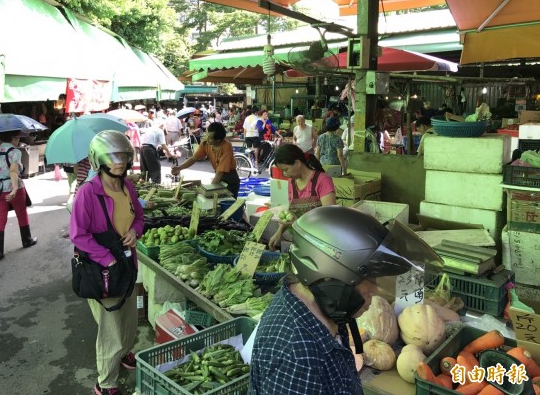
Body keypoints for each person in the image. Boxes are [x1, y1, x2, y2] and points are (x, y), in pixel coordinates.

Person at [250, 206, 442, 395]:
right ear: (329, 274)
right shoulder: (296, 357)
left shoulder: (325, 309)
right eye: (369, 280)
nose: (375, 290)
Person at [70, 130, 144, 395]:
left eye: (123, 155)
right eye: (113, 156)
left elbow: (139, 218)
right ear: (98, 160)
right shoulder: (87, 194)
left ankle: (124, 353)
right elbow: (78, 235)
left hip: (126, 264)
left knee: (129, 318)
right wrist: (108, 259)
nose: (120, 161)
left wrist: (135, 232)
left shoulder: (128, 187)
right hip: (101, 270)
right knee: (110, 328)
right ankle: (105, 382)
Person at [268, 144, 336, 250]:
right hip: (301, 241)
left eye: (286, 169)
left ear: (298, 163)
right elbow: (291, 211)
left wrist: (299, 221)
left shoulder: (322, 180)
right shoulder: (292, 182)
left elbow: (329, 218)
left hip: (321, 244)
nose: (285, 174)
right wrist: (278, 233)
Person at [0, 130, 37, 261]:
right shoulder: (15, 152)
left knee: (0, 218)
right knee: (21, 213)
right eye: (18, 138)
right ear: (14, 138)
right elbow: (13, 170)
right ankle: (27, 240)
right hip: (14, 188)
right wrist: (14, 190)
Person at [171, 122, 240, 198]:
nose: (207, 139)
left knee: (229, 203)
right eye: (207, 135)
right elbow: (194, 158)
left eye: (210, 137)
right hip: (218, 175)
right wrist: (179, 168)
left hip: (230, 178)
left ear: (218, 140)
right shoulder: (205, 142)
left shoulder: (226, 146)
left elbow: (220, 172)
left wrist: (208, 191)